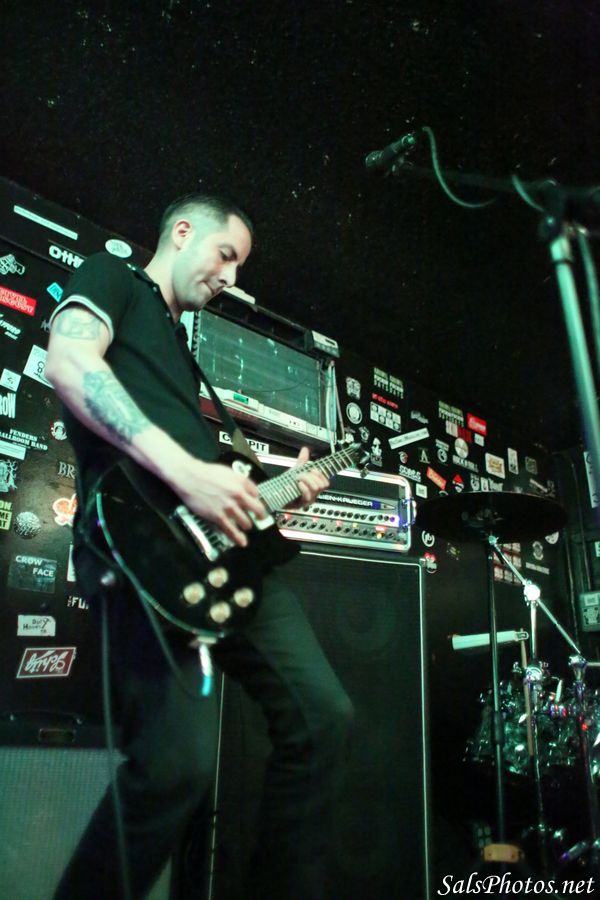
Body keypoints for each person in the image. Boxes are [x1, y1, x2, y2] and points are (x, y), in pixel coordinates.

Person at [45, 194, 353, 900]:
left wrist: (270, 493)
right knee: (175, 766)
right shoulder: (114, 279)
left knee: (323, 715)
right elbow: (69, 360)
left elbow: (207, 476)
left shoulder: (182, 349)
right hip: (145, 549)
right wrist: (187, 472)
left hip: (227, 557)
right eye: (226, 255)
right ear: (183, 233)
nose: (231, 277)